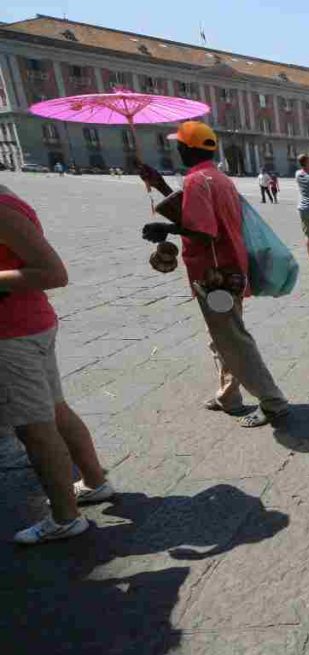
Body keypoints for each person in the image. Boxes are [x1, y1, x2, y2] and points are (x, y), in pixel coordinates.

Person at [138, 121, 289, 428]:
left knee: (232, 339)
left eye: (179, 144)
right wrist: (160, 185)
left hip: (215, 275)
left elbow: (202, 230)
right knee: (222, 337)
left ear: (186, 148)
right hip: (230, 268)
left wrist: (164, 228)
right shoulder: (217, 177)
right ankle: (229, 397)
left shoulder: (197, 181)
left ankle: (273, 401)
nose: (177, 148)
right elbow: (195, 213)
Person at [1, 183, 115, 545]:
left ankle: (66, 518)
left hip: (13, 333)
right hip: (28, 325)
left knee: (33, 429)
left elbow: (53, 273)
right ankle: (95, 482)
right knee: (54, 409)